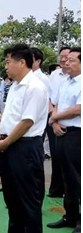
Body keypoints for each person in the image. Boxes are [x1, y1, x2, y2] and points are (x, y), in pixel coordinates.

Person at [0, 44, 48, 233]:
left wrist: (7, 141)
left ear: (22, 62)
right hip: (8, 143)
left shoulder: (35, 87)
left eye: (8, 62)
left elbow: (27, 121)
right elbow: (9, 116)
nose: (6, 66)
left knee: (28, 197)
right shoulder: (15, 86)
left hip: (24, 146)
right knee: (11, 196)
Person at [47, 47, 81, 233]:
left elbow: (78, 109)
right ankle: (70, 215)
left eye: (71, 60)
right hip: (60, 131)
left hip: (77, 134)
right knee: (66, 176)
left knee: (77, 177)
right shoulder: (65, 82)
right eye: (66, 60)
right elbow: (56, 104)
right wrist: (54, 122)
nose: (66, 63)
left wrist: (54, 117)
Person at [47, 46, 71, 197]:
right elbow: (49, 98)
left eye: (66, 57)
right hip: (53, 119)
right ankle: (56, 190)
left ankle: (71, 193)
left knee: (71, 159)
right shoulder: (54, 75)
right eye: (61, 56)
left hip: (71, 122)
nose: (63, 60)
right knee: (56, 155)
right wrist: (54, 119)